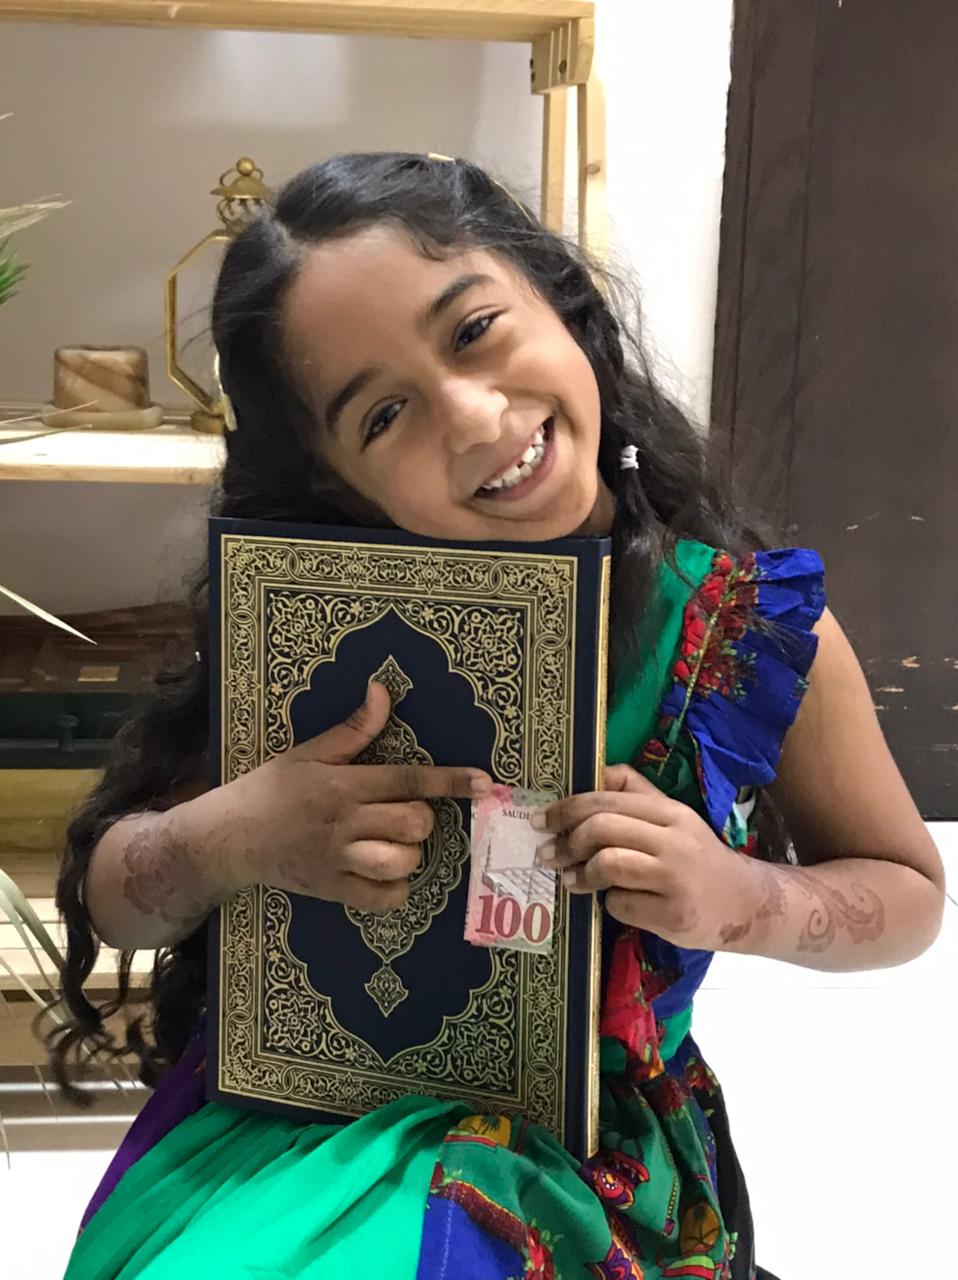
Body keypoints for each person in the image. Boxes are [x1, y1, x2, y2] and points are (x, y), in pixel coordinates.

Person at [53, 153, 944, 1280]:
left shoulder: (745, 630)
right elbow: (115, 898)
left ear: (562, 302)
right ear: (335, 484)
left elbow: (908, 894)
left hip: (584, 1157)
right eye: (384, 414)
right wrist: (228, 837)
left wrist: (743, 896)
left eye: (474, 330)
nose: (475, 419)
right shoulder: (311, 631)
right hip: (311, 1124)